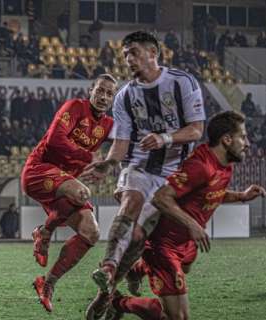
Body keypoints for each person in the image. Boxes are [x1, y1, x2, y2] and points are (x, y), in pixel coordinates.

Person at [81, 31, 205, 319]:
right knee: (130, 202)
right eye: (125, 55)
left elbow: (196, 130)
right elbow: (122, 144)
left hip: (173, 176)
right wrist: (109, 164)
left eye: (134, 52)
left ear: (153, 53)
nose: (128, 60)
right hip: (140, 166)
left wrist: (164, 139)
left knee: (137, 237)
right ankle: (108, 266)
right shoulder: (124, 96)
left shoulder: (182, 82)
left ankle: (107, 295)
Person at [102, 111, 266, 320]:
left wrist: (241, 196)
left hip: (186, 243)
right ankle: (118, 303)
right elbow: (161, 198)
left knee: (185, 267)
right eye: (243, 136)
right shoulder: (200, 166)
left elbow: (210, 193)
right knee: (178, 317)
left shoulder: (225, 163)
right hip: (164, 245)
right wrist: (193, 225)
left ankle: (137, 270)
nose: (248, 143)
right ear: (226, 139)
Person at [21, 74, 117, 312]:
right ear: (91, 90)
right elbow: (54, 140)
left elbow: (124, 146)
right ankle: (44, 233)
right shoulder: (75, 107)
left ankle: (48, 284)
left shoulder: (108, 125)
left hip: (65, 183)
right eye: (100, 91)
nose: (104, 97)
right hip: (39, 171)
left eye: (109, 93)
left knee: (91, 232)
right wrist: (88, 157)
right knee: (82, 193)